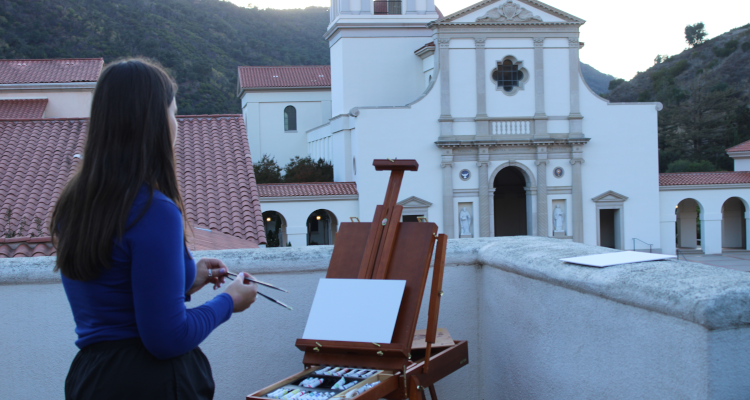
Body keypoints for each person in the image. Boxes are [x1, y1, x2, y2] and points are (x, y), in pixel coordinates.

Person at [51, 58, 258, 400]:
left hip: (91, 378)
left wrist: (189, 277)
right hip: (150, 382)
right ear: (155, 122)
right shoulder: (153, 209)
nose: (176, 123)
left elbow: (113, 287)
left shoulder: (75, 203)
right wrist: (228, 301)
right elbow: (166, 338)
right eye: (173, 113)